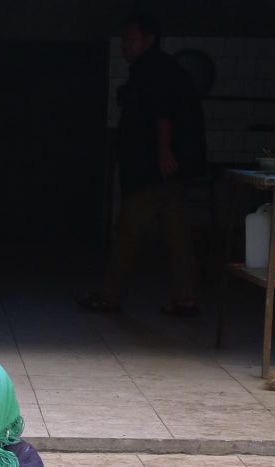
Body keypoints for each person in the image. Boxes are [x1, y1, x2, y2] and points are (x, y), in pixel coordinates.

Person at [78, 12, 206, 318]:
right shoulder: (161, 69)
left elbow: (163, 113)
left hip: (151, 169)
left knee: (127, 231)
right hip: (171, 169)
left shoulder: (153, 70)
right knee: (178, 236)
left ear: (149, 40)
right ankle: (185, 298)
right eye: (123, 40)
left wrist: (163, 150)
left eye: (130, 40)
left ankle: (110, 296)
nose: (125, 46)